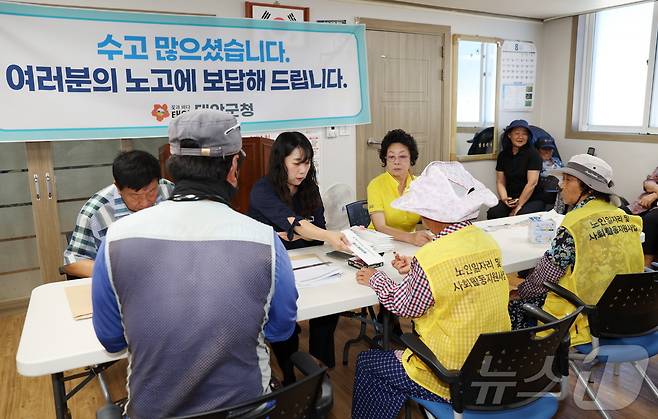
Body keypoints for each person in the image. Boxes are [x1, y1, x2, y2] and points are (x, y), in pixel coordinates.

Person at [92, 110, 298, 418]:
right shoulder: (265, 240)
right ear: (233, 167)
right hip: (245, 411)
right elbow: (281, 330)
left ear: (172, 168)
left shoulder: (116, 239)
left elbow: (112, 340)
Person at [351, 161, 511, 419]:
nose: (421, 217)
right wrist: (416, 267)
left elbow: (404, 305)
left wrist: (375, 278)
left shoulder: (433, 255)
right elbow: (460, 272)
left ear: (434, 215)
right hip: (493, 362)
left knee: (369, 364)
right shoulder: (486, 242)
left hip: (452, 373)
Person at [508, 154, 644, 346]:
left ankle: (529, 364)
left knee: (515, 304)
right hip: (625, 312)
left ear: (588, 188)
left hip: (584, 316)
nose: (561, 185)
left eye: (568, 180)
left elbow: (546, 275)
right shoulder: (625, 217)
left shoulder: (575, 223)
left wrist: (519, 291)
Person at [248, 131, 349, 383]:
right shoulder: (262, 190)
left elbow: (313, 231)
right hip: (272, 264)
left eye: (307, 163)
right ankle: (290, 373)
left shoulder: (310, 189)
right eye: (296, 163)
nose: (302, 170)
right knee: (286, 318)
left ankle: (317, 362)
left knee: (328, 305)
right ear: (281, 161)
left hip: (309, 261)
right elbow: (299, 225)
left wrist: (305, 233)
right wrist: (313, 232)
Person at [63, 150, 174, 278]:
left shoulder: (169, 190)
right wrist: (119, 275)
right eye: (135, 196)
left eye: (151, 192)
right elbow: (73, 263)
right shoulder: (95, 212)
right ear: (117, 187)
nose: (145, 203)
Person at [367, 128, 433, 246]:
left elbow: (428, 223)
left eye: (402, 156)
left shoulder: (420, 185)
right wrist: (411, 237)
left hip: (408, 245)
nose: (396, 162)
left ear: (411, 159)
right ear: (385, 160)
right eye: (391, 157)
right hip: (379, 243)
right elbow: (380, 227)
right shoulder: (375, 185)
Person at [487, 119, 544, 219]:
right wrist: (505, 199)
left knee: (520, 216)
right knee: (494, 212)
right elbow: (500, 181)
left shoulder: (534, 155)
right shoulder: (503, 155)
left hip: (532, 198)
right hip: (512, 198)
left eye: (524, 134)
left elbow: (532, 183)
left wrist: (519, 205)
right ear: (509, 135)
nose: (520, 137)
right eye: (517, 133)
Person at [624, 165, 658, 267]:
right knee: (621, 213)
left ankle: (644, 269)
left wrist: (655, 194)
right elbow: (648, 183)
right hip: (642, 206)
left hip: (653, 213)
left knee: (650, 220)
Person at [534, 137, 564, 212]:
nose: (547, 152)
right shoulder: (534, 163)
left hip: (559, 193)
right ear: (537, 150)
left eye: (550, 149)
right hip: (543, 193)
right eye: (544, 149)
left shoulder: (558, 161)